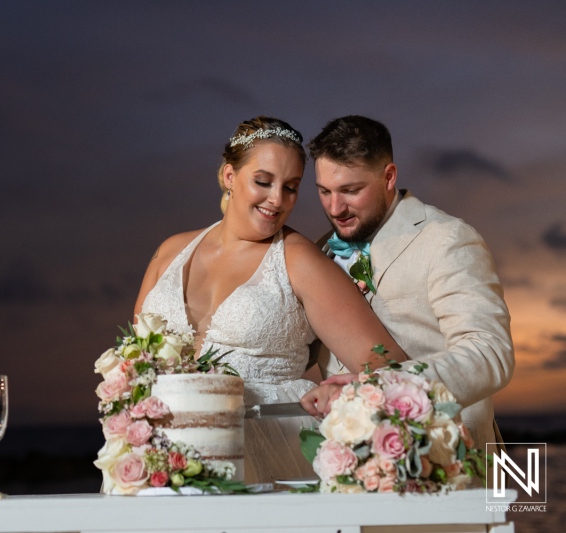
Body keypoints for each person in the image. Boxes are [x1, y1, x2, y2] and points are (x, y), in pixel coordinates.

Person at [134, 116, 407, 484]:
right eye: (263, 181)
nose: (277, 200)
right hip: (161, 458)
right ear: (229, 176)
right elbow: (133, 365)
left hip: (268, 454)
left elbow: (390, 367)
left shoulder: (300, 261)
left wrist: (340, 402)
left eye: (291, 187)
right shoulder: (170, 252)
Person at [300, 115, 515, 458]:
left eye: (351, 191)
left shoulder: (447, 238)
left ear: (389, 176)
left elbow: (490, 354)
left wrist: (385, 386)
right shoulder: (316, 252)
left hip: (446, 456)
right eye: (324, 191)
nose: (335, 208)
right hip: (346, 459)